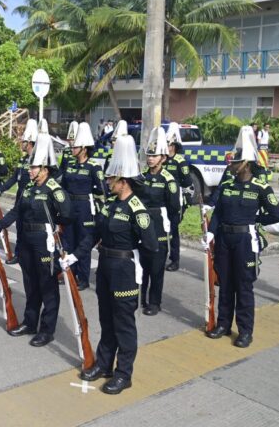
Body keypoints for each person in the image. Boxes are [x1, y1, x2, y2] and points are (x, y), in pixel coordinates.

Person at [75, 131, 157, 395]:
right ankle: (104, 364)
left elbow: (152, 247)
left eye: (111, 177)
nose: (107, 180)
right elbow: (94, 235)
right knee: (106, 319)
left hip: (125, 270)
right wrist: (75, 255)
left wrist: (138, 272)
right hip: (106, 269)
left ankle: (124, 373)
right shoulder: (109, 206)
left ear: (123, 180)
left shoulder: (138, 209)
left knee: (123, 324)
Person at [0, 126, 71, 347]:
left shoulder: (55, 190)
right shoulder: (28, 188)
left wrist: (60, 238)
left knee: (47, 285)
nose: (30, 170)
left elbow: (68, 217)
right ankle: (30, 322)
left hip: (44, 242)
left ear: (44, 168)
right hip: (26, 240)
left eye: (33, 167)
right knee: (30, 283)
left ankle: (47, 329)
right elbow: (16, 211)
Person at [203, 126, 279, 348]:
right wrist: (211, 232)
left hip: (245, 241)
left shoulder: (260, 188)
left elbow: (276, 214)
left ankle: (245, 331)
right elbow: (218, 212)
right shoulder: (227, 184)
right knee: (226, 284)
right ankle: (223, 324)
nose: (231, 165)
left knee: (244, 287)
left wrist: (256, 221)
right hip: (225, 240)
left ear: (245, 164)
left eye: (235, 162)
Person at [138, 127, 180, 316]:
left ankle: (155, 302)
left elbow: (174, 209)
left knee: (156, 267)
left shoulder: (169, 180)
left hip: (159, 227)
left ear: (163, 157)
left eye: (154, 156)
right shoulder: (142, 177)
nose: (150, 159)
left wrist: (170, 230)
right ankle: (142, 299)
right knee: (143, 265)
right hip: (142, 225)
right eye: (149, 155)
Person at [61, 122, 106, 290]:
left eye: (76, 147)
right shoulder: (71, 165)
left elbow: (102, 189)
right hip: (70, 206)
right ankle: (70, 272)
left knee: (83, 241)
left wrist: (96, 205)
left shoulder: (93, 166)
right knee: (68, 240)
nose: (72, 149)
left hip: (85, 208)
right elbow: (63, 186)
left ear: (84, 148)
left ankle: (83, 277)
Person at [0, 119, 37, 265]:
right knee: (20, 228)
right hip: (20, 197)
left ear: (30, 143)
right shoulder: (23, 160)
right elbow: (14, 178)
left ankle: (31, 255)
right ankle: (19, 254)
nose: (21, 143)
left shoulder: (37, 161)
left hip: (32, 200)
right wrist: (0, 189)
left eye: (24, 141)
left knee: (30, 229)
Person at [163, 122, 193, 272]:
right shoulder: (161, 160)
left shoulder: (181, 162)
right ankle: (161, 256)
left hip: (175, 202)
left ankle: (175, 260)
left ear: (174, 145)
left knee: (173, 231)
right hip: (161, 201)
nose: (166, 147)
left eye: (168, 144)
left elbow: (188, 184)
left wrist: (186, 203)